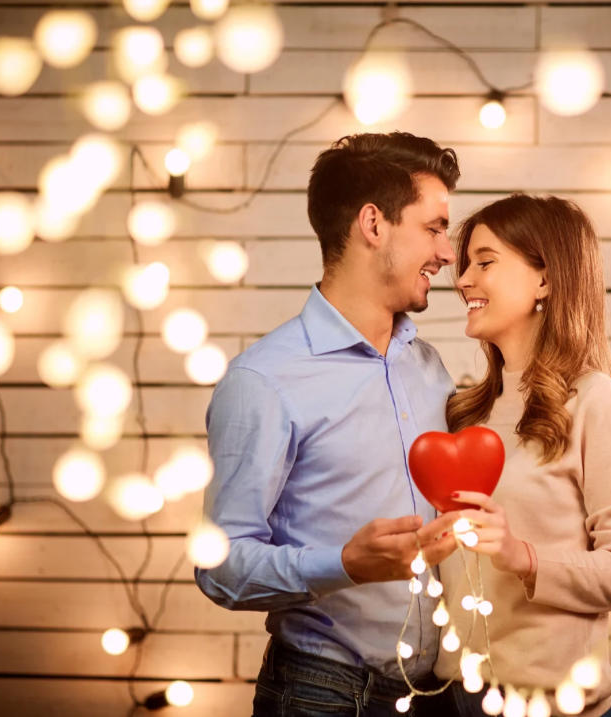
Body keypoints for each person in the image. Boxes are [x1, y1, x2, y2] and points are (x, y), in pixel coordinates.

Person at [196, 132, 465, 717]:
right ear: (373, 224)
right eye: (434, 227)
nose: (448, 253)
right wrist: (343, 565)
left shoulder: (430, 366)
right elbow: (220, 565)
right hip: (322, 695)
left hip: (438, 696)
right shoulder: (264, 380)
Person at [434, 194, 611, 717]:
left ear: (546, 281)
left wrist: (524, 557)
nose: (462, 279)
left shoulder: (594, 401)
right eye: (466, 264)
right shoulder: (465, 412)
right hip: (449, 699)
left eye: (484, 262)